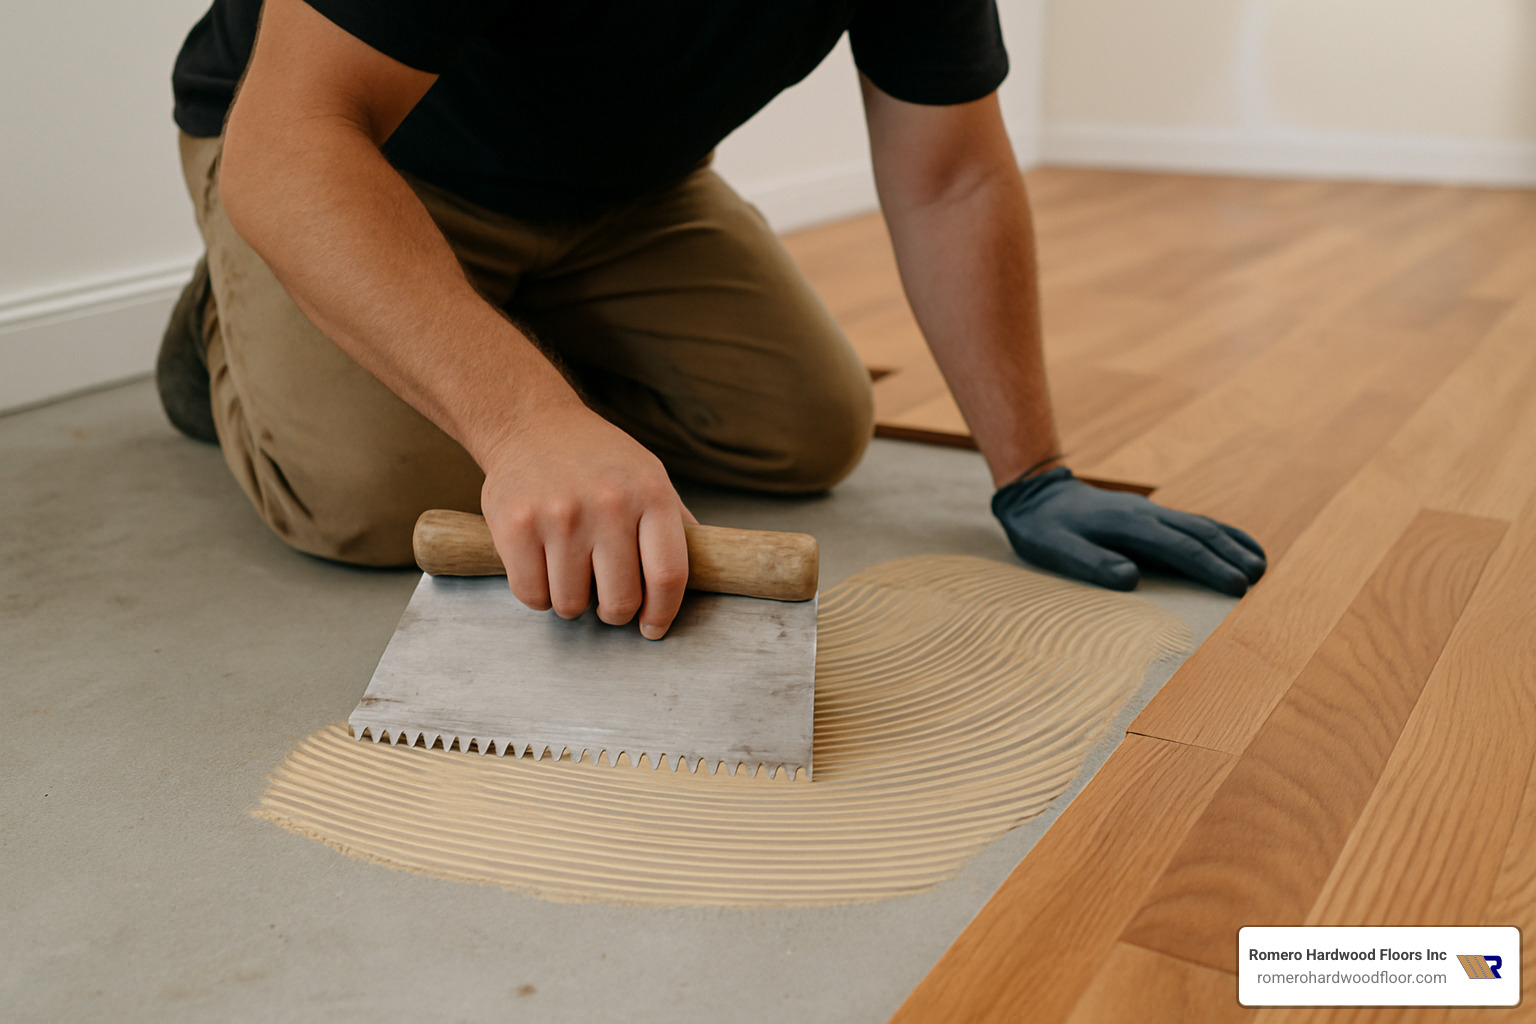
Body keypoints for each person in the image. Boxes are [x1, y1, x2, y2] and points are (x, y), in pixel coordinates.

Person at [160, 0, 1266, 639]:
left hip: (622, 191)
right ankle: (234, 318)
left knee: (807, 428)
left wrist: (1032, 470)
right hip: (359, 162)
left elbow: (951, 175)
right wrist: (527, 422)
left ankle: (484, 327)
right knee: (376, 496)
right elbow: (292, 140)